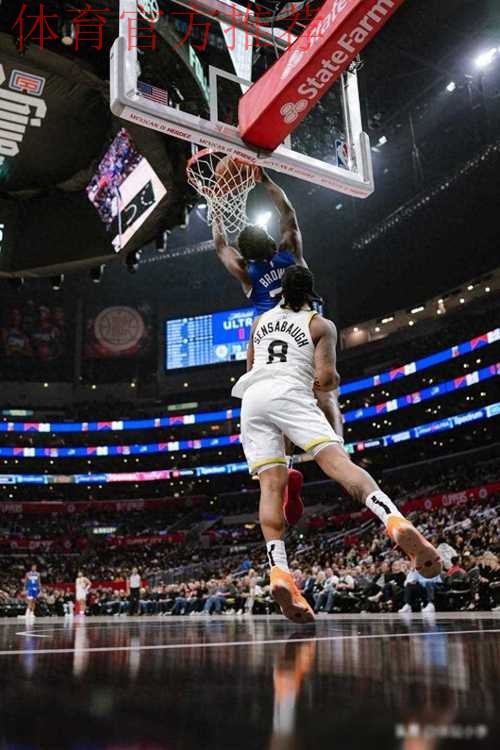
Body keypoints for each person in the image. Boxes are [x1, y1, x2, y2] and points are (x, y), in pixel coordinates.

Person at [232, 265, 442, 624]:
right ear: (311, 294)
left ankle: (279, 572)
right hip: (289, 392)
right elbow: (327, 379)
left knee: (270, 487)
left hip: (253, 399)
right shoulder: (320, 325)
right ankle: (394, 520)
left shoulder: (260, 321)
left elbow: (251, 368)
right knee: (340, 465)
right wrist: (321, 382)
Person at [213, 167, 342, 525]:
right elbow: (289, 213)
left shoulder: (246, 271)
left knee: (273, 404)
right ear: (272, 242)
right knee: (326, 392)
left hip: (267, 338)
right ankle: (337, 449)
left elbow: (221, 246)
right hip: (305, 327)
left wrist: (216, 208)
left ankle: (283, 468)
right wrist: (266, 181)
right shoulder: (290, 252)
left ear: (247, 254)